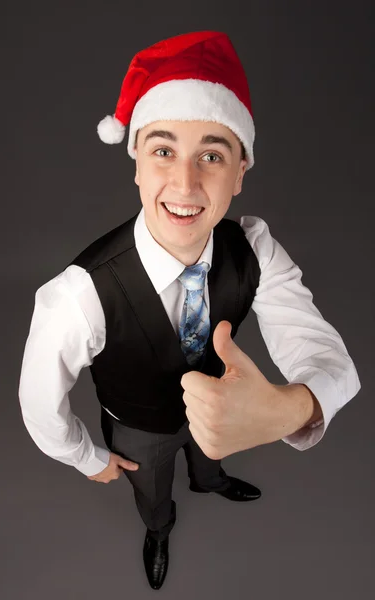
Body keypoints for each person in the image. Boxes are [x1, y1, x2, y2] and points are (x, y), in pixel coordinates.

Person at [18, 30, 361, 591]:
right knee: (153, 493)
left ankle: (210, 479)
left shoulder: (255, 248)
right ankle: (159, 530)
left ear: (240, 172)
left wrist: (284, 412)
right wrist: (87, 457)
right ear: (135, 163)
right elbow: (38, 405)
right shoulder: (77, 295)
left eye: (211, 154)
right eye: (162, 150)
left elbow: (333, 363)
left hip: (217, 419)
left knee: (210, 457)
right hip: (139, 432)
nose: (184, 182)